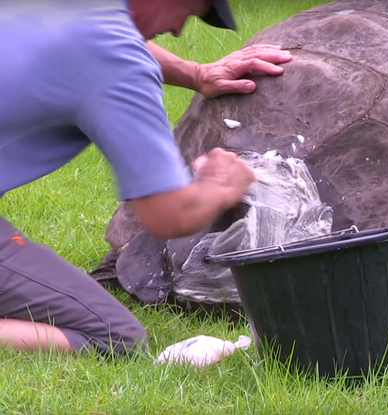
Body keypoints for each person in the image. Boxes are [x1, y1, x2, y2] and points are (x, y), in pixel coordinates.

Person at [0, 0, 293, 355]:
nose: (178, 30)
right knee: (116, 337)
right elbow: (166, 215)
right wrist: (223, 185)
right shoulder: (117, 63)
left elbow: (99, 43)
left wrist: (197, 74)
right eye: (188, 12)